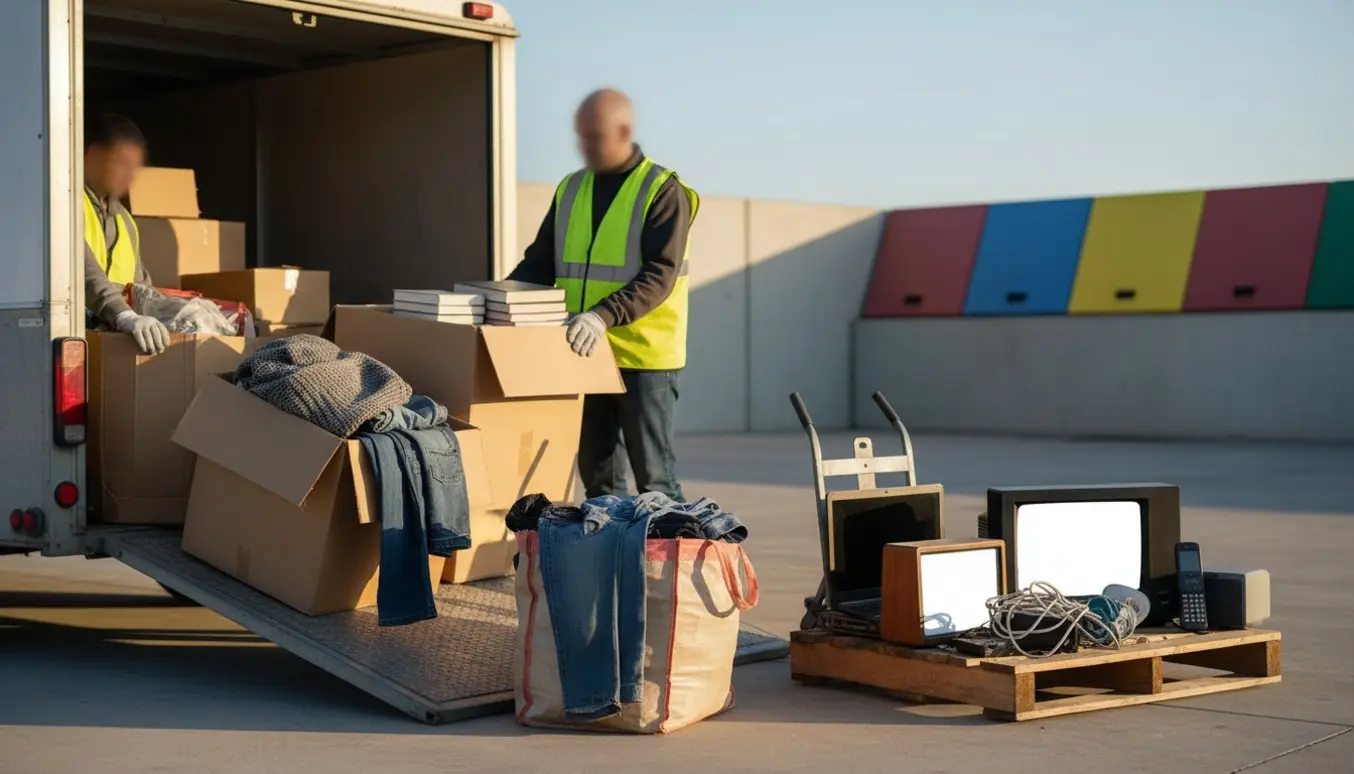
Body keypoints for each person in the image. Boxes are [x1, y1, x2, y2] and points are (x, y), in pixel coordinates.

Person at [507, 88, 698, 501]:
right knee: (599, 480)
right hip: (585, 353)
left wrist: (600, 315)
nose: (585, 147)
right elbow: (539, 263)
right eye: (581, 137)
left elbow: (659, 274)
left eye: (594, 137)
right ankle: (609, 562)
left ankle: (666, 566)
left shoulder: (663, 190)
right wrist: (498, 302)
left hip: (645, 359)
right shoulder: (572, 188)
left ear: (624, 131)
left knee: (656, 483)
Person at [84, 113, 168, 355]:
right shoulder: (65, 206)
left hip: (113, 343)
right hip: (76, 336)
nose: (130, 175)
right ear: (93, 156)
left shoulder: (125, 222)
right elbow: (83, 270)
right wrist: (123, 315)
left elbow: (142, 288)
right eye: (122, 163)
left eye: (135, 167)